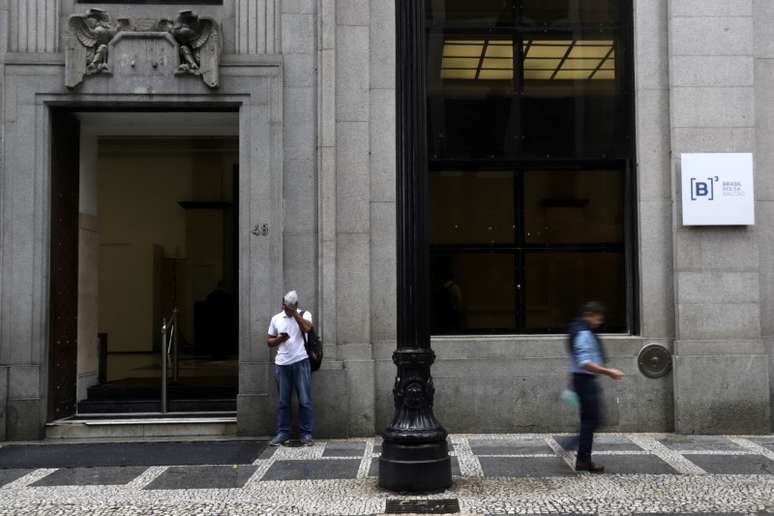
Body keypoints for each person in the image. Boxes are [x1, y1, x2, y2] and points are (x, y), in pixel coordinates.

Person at [567, 302, 624, 473]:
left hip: (584, 380)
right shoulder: (583, 334)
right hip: (584, 380)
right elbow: (584, 362)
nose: (600, 321)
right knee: (592, 420)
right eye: (598, 317)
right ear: (590, 314)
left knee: (590, 420)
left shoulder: (583, 331)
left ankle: (583, 459)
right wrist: (608, 371)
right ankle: (579, 455)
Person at [267, 290, 314, 446]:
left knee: (305, 400)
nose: (287, 310)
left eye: (290, 308)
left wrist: (295, 315)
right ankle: (282, 433)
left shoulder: (304, 314)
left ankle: (306, 434)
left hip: (301, 361)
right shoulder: (276, 319)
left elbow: (308, 329)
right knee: (283, 401)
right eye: (286, 307)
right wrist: (280, 338)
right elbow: (269, 341)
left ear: (295, 306)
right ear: (283, 304)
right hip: (282, 364)